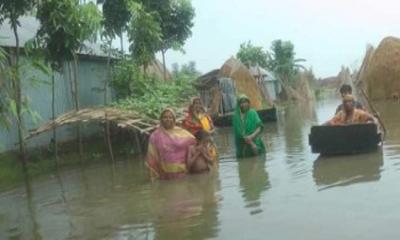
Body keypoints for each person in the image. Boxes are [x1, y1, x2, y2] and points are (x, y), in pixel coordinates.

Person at [146, 108, 196, 180]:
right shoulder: (155, 136)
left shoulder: (181, 132)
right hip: (165, 174)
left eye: (170, 117)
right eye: (165, 117)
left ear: (174, 119)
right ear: (161, 119)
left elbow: (193, 141)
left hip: (182, 172)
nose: (168, 119)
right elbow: (152, 156)